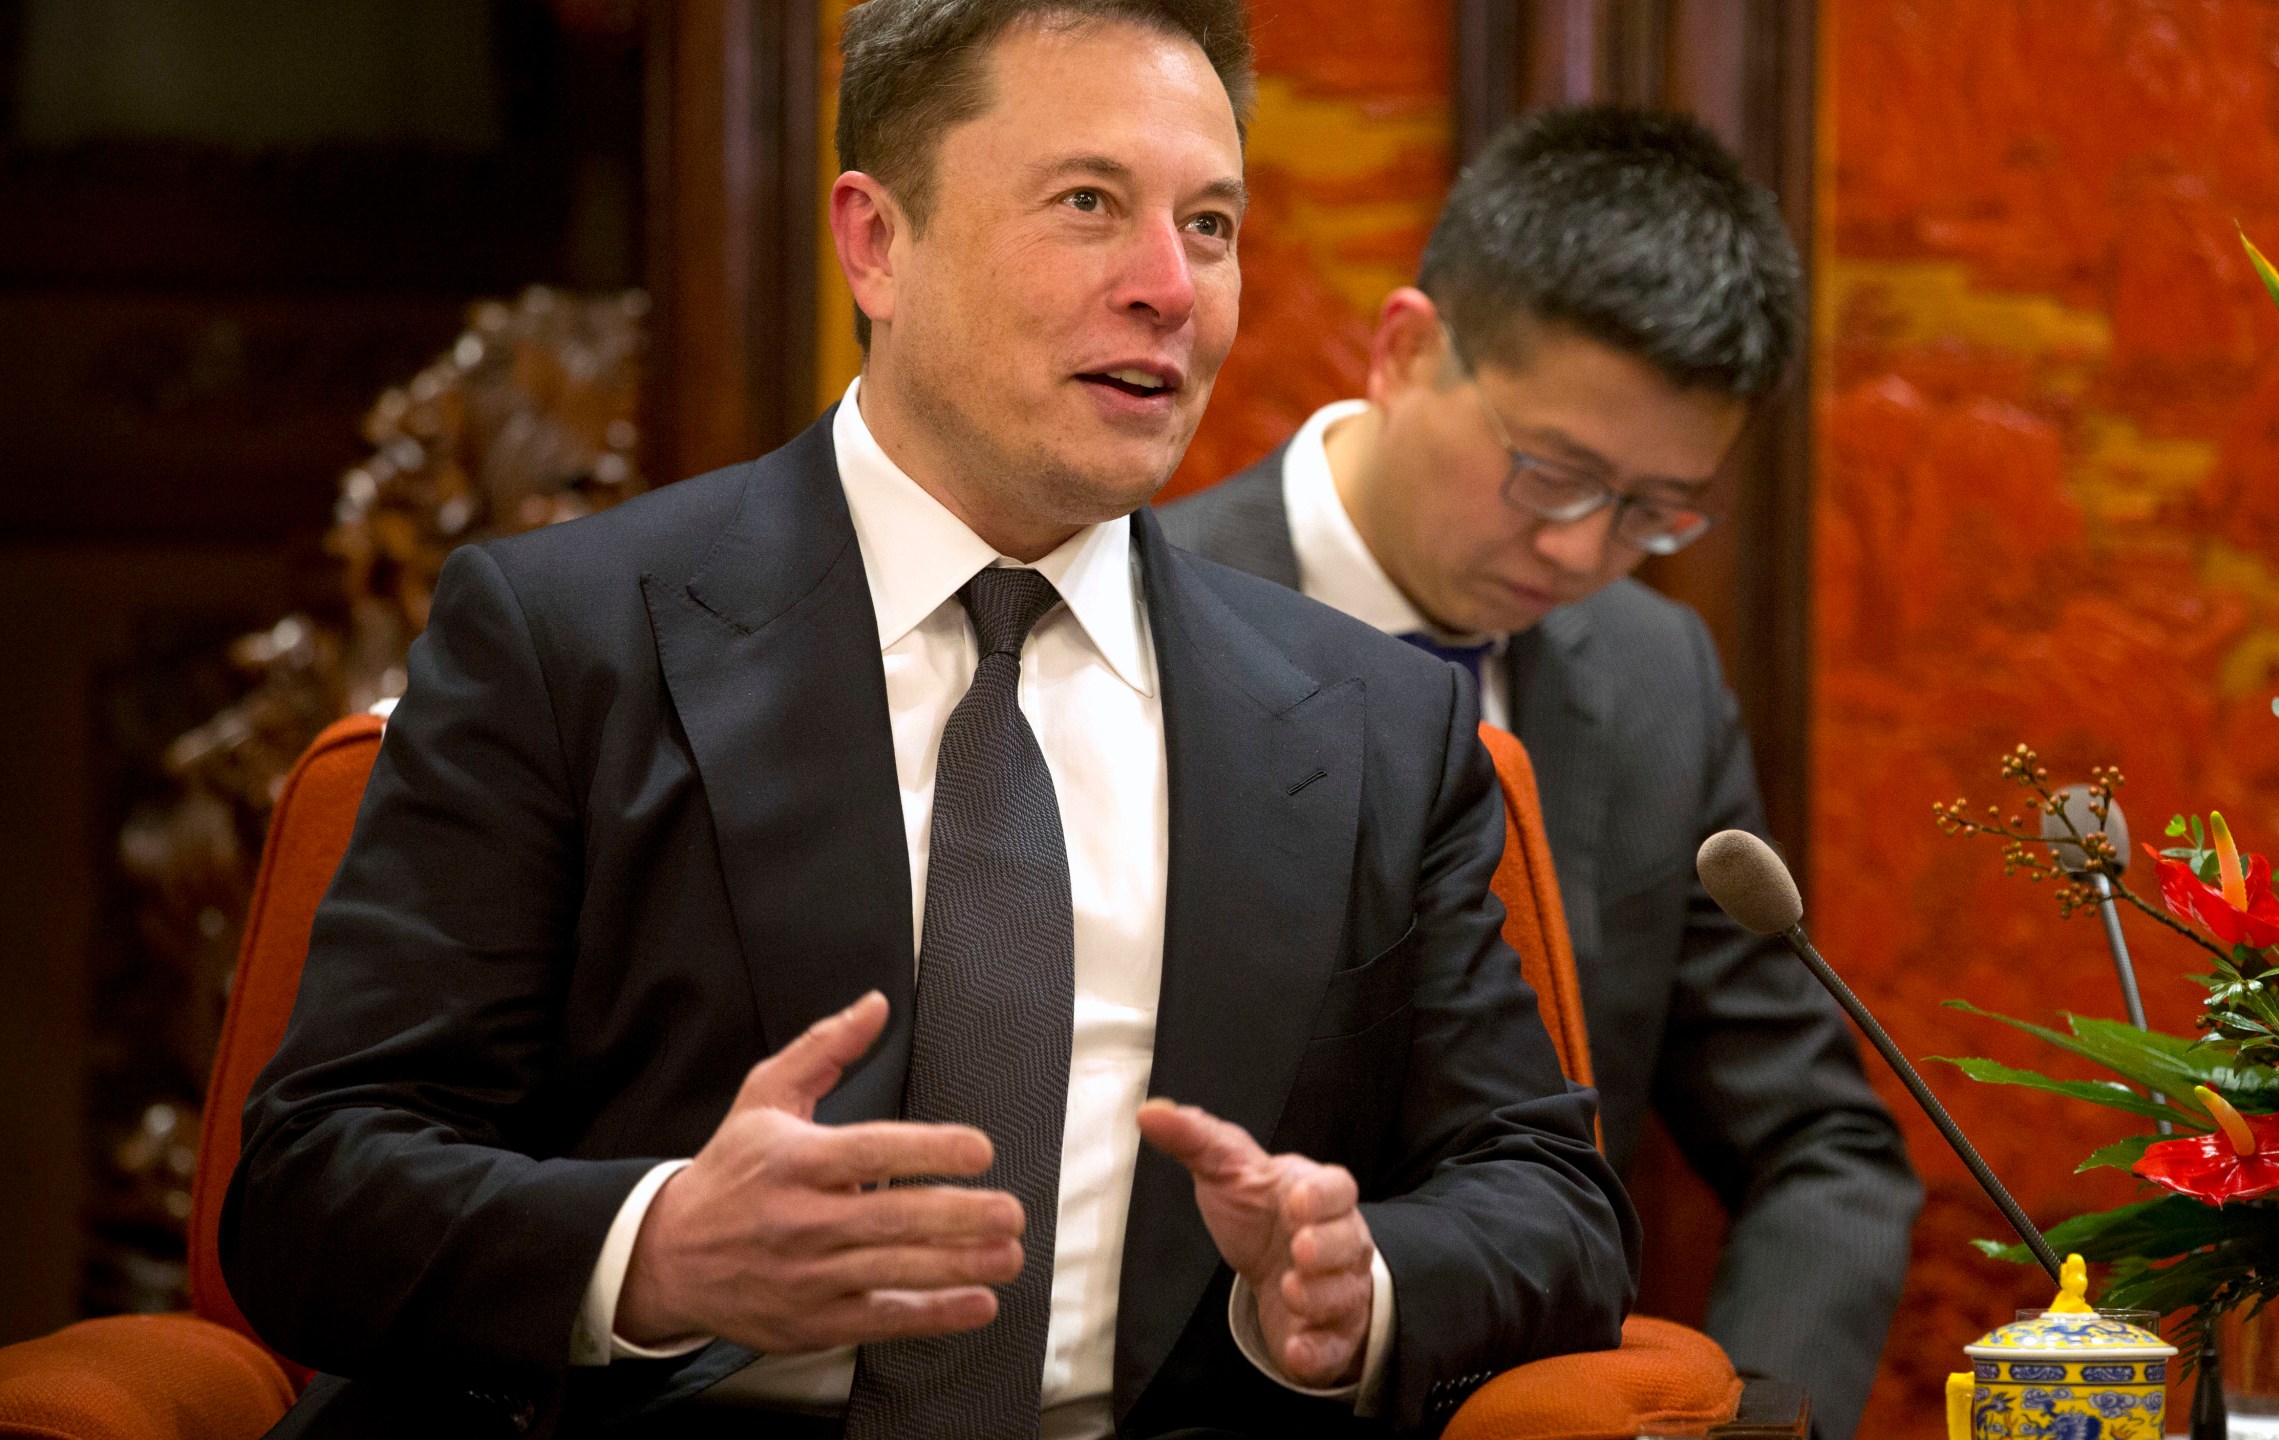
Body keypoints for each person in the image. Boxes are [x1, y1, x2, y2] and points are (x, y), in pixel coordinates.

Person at [223, 4, 1634, 1437]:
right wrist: (656, 1254)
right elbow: (310, 1186)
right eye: (1089, 204)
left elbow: (1549, 1201)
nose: (1170, 286)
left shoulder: (1376, 722)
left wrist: (1357, 1285)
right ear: (876, 242)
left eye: (1210, 226)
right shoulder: (569, 642)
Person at [1158, 106, 1922, 1440]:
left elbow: (1824, 1150)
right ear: (1406, 350)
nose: (1579, 556)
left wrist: (1736, 1422)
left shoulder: (1650, 677)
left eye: (1655, 510)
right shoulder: (1140, 614)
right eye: (1551, 474)